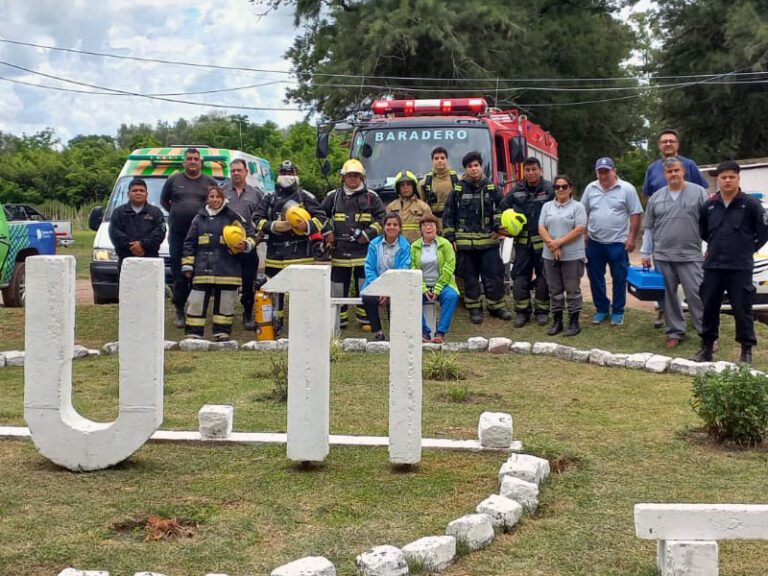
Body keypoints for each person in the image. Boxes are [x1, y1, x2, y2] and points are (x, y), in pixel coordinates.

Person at [693, 161, 768, 364]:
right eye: (723, 177)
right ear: (718, 179)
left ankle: (746, 351)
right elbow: (704, 232)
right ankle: (707, 347)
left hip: (740, 267)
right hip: (714, 266)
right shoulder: (709, 206)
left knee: (742, 308)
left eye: (731, 177)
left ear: (738, 178)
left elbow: (762, 233)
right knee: (709, 307)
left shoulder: (750, 205)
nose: (727, 180)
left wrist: (744, 250)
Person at [642, 128, 709, 329]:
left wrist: (708, 245)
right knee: (667, 293)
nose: (668, 144)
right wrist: (646, 251)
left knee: (696, 293)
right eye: (664, 141)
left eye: (672, 140)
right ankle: (673, 328)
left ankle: (705, 331)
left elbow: (706, 215)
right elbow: (649, 219)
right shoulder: (653, 173)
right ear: (659, 145)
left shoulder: (692, 174)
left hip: (689, 250)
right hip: (663, 248)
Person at [254, 160, 326, 334]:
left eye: (291, 173)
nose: (287, 177)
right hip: (274, 254)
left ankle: (303, 327)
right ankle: (276, 326)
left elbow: (322, 218)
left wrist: (307, 226)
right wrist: (272, 226)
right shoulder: (269, 197)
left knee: (301, 293)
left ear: (296, 175)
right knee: (275, 292)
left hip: (301, 253)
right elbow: (256, 219)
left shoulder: (305, 196)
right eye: (284, 173)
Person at [442, 151, 512, 324]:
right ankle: (474, 308)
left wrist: (499, 229)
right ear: (465, 169)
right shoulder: (457, 190)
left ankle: (497, 307)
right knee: (470, 277)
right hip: (466, 244)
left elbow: (500, 210)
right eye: (470, 166)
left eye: (476, 165)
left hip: (489, 241)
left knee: (494, 275)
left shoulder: (492, 188)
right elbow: (449, 215)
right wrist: (451, 239)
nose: (473, 169)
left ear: (481, 167)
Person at [181, 186, 257, 341]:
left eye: (217, 197)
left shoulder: (233, 217)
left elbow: (251, 234)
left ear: (223, 199)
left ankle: (222, 333)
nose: (214, 200)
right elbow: (189, 243)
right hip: (202, 270)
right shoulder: (198, 218)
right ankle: (193, 333)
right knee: (196, 301)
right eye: (211, 197)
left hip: (227, 270)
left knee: (225, 303)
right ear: (207, 199)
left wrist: (246, 244)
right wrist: (188, 264)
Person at [321, 158, 386, 329]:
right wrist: (327, 231)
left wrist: (368, 233)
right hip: (339, 251)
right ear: (343, 177)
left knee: (364, 285)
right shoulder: (333, 197)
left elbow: (383, 219)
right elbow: (319, 215)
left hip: (363, 252)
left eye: (356, 176)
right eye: (349, 175)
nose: (353, 179)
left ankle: (365, 319)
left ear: (362, 177)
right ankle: (339, 319)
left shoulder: (372, 197)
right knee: (338, 286)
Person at [581, 157, 643, 327]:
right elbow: (583, 211)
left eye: (606, 171)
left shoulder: (627, 189)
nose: (603, 175)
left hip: (618, 242)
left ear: (614, 170)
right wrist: (584, 233)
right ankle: (601, 309)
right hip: (594, 242)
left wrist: (631, 238)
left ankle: (617, 311)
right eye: (600, 172)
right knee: (595, 278)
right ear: (596, 172)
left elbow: (635, 214)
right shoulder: (590, 188)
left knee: (619, 278)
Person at [161, 148, 219, 328]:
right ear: (184, 162)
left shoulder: (209, 181)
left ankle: (197, 310)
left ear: (200, 162)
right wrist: (178, 213)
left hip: (201, 236)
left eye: (196, 159)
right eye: (189, 159)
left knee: (199, 274)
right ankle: (179, 309)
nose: (193, 161)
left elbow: (216, 202)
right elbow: (164, 201)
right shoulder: (173, 180)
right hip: (178, 236)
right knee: (179, 274)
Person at [499, 157, 555, 327]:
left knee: (543, 278)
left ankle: (542, 312)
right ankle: (522, 313)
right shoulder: (516, 190)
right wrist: (500, 227)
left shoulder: (549, 190)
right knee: (520, 278)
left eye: (534, 169)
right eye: (528, 170)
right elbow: (501, 207)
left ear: (540, 170)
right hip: (522, 244)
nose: (531, 173)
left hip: (543, 244)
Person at [537, 175, 587, 337]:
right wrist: (552, 244)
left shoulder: (578, 207)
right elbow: (541, 227)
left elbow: (579, 229)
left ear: (570, 188)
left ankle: (574, 322)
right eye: (557, 187)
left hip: (572, 255)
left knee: (572, 290)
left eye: (564, 186)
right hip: (550, 254)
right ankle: (557, 321)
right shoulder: (547, 207)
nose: (560, 190)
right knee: (554, 290)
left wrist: (559, 243)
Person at [223, 159, 265, 330]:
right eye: (233, 170)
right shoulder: (223, 192)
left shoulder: (257, 194)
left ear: (246, 172)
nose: (236, 173)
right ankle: (224, 316)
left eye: (239, 170)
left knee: (249, 283)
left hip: (249, 245)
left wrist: (257, 238)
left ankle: (248, 314)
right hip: (226, 247)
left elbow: (263, 218)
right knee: (226, 283)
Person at [361, 212, 412, 341]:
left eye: (395, 225)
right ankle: (378, 332)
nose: (391, 227)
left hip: (397, 285)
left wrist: (389, 290)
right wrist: (380, 288)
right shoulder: (374, 244)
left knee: (394, 299)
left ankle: (395, 334)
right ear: (384, 227)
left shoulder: (405, 246)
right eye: (388, 224)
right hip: (375, 284)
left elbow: (403, 269)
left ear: (400, 228)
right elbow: (369, 268)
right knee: (368, 298)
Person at [411, 213, 459, 343]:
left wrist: (438, 288)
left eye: (431, 225)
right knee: (410, 298)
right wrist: (423, 288)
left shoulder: (446, 244)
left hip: (443, 284)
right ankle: (424, 332)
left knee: (452, 296)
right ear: (421, 229)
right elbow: (413, 267)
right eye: (425, 225)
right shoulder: (414, 246)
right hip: (421, 285)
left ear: (436, 228)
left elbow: (449, 266)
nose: (428, 228)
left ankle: (440, 333)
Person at [108, 178, 166, 274]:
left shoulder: (156, 212)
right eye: (134, 190)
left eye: (141, 191)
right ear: (128, 194)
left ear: (147, 194)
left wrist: (142, 245)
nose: (138, 193)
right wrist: (132, 246)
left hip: (150, 260)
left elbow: (159, 232)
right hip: (126, 261)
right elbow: (114, 232)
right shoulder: (119, 212)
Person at [386, 170, 433, 243]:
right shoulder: (391, 207)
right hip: (397, 248)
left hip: (417, 249)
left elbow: (430, 230)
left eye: (408, 184)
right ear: (398, 188)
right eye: (402, 185)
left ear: (414, 187)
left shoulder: (423, 207)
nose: (405, 187)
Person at [419, 146, 459, 222]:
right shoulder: (424, 183)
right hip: (434, 223)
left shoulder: (458, 180)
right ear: (432, 161)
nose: (440, 161)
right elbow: (421, 205)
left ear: (447, 160)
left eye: (442, 158)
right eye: (436, 158)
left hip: (454, 220)